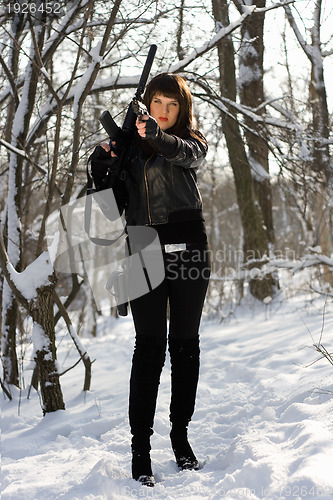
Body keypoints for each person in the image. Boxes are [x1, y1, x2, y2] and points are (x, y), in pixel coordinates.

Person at [91, 73, 210, 487]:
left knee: (185, 345)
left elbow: (187, 154)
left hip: (189, 247)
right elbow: (107, 216)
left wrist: (158, 137)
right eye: (157, 102)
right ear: (146, 104)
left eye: (172, 104)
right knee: (148, 349)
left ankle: (180, 436)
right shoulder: (128, 152)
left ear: (181, 110)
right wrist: (102, 169)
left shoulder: (191, 142)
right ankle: (140, 448)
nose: (163, 110)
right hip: (141, 248)